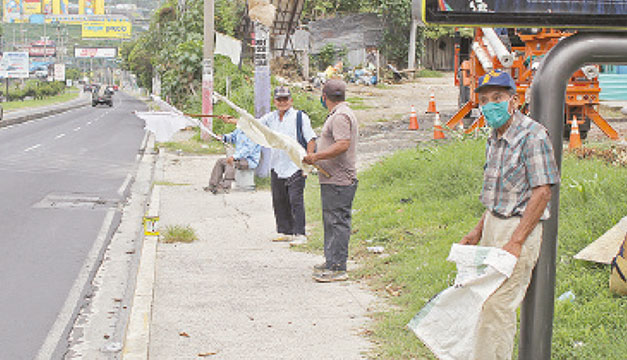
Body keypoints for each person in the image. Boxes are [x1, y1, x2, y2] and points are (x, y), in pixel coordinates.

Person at [459, 69, 559, 359]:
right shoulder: (494, 136)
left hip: (518, 229)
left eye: (498, 98)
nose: (491, 105)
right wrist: (477, 230)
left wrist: (516, 241)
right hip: (493, 224)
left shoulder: (532, 135)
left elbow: (542, 192)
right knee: (482, 301)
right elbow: (497, 193)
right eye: (485, 100)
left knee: (498, 308)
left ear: (513, 101)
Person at [220, 87, 316, 245]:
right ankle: (285, 231)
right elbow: (254, 125)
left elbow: (311, 138)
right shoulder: (270, 118)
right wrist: (233, 121)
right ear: (275, 101)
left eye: (286, 99)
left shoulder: (300, 117)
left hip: (296, 164)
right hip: (277, 164)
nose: (283, 102)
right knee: (279, 199)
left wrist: (309, 158)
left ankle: (300, 233)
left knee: (295, 199)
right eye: (279, 99)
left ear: (291, 100)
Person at [303, 79, 359, 283]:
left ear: (324, 96)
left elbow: (343, 144)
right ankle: (331, 260)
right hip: (331, 179)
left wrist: (317, 157)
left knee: (337, 222)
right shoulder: (339, 114)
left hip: (339, 180)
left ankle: (338, 267)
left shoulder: (341, 116)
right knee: (330, 221)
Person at [204, 127, 261, 194]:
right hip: (239, 158)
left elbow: (247, 150)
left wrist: (234, 157)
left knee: (231, 163)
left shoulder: (253, 135)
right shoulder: (239, 131)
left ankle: (225, 187)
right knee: (220, 161)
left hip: (249, 160)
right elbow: (232, 137)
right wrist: (223, 137)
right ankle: (213, 185)